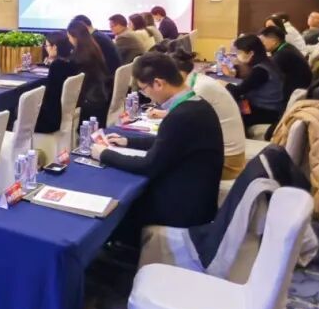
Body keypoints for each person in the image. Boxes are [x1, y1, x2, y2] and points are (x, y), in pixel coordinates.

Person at [94, 53, 223, 240]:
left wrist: (105, 154)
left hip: (184, 208)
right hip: (195, 196)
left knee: (118, 209)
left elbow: (149, 165)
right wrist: (128, 141)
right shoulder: (195, 104)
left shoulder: (182, 116)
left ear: (158, 84)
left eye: (144, 89)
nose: (146, 95)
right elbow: (169, 142)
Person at [153, 48, 247, 182]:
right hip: (225, 154)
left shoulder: (199, 88)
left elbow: (184, 122)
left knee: (164, 166)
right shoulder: (199, 80)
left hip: (227, 163)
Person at [224, 34, 285, 131]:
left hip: (266, 112)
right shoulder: (266, 63)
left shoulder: (260, 71)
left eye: (239, 52)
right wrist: (235, 74)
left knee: (229, 115)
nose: (237, 56)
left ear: (251, 53)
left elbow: (238, 91)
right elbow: (250, 81)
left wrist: (224, 84)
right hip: (269, 108)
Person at [65, 21, 112, 125]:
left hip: (88, 102)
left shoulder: (78, 58)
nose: (69, 40)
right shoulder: (93, 48)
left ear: (75, 37)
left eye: (69, 37)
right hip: (101, 96)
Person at [35, 33, 80, 134]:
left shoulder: (57, 66)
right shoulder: (72, 62)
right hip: (65, 114)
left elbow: (50, 95)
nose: (45, 49)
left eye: (46, 46)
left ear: (54, 47)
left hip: (50, 121)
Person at [259, 25, 312, 104]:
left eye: (263, 41)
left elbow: (268, 77)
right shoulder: (287, 47)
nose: (261, 44)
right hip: (297, 88)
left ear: (274, 41)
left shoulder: (282, 54)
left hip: (291, 93)